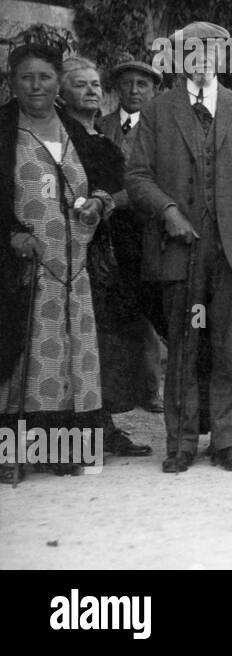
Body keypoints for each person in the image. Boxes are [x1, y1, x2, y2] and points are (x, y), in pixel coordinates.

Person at [126, 21, 232, 473]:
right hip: (179, 250)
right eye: (191, 50)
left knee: (230, 346)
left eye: (213, 50)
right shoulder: (158, 110)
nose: (203, 58)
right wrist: (168, 210)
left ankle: (229, 441)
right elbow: (136, 177)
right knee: (185, 346)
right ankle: (182, 443)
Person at [1, 45, 114, 480]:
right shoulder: (4, 129)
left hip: (73, 270)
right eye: (26, 77)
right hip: (20, 269)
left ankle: (61, 449)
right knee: (18, 360)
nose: (36, 86)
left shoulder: (76, 130)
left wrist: (99, 204)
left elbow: (111, 178)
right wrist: (10, 233)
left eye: (44, 77)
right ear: (12, 81)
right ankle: (9, 453)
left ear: (57, 84)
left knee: (69, 360)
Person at [58, 57, 154, 459]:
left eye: (96, 84)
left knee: (106, 342)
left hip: (110, 255)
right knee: (73, 342)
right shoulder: (61, 138)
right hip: (70, 252)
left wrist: (109, 202)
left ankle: (104, 426)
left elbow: (130, 188)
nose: (92, 91)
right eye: (81, 85)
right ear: (63, 94)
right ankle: (71, 434)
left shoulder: (102, 139)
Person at [101, 59, 168, 415]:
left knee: (149, 304)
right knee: (115, 309)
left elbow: (153, 180)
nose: (134, 91)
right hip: (107, 230)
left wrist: (114, 200)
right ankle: (116, 390)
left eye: (142, 85)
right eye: (127, 84)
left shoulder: (160, 130)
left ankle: (150, 388)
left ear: (153, 90)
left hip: (145, 228)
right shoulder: (101, 126)